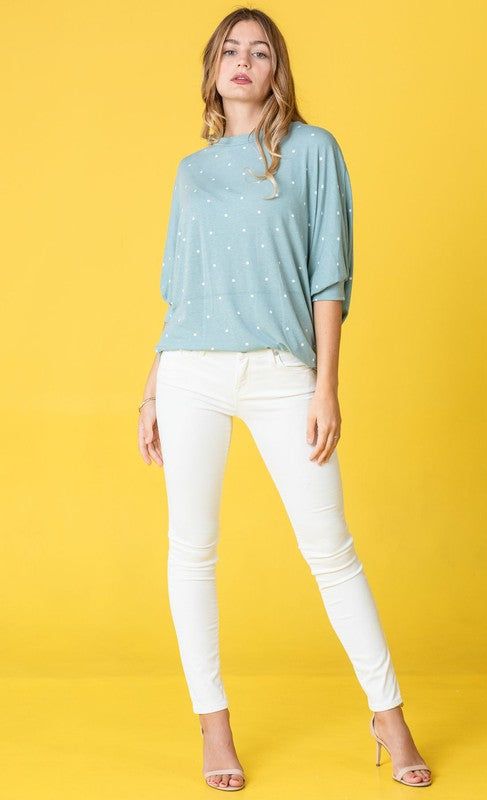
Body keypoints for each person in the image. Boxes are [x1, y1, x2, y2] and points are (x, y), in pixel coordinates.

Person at [138, 7, 432, 792]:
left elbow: (329, 274)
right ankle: (213, 727)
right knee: (191, 551)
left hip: (281, 371)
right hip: (190, 370)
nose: (242, 61)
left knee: (329, 551)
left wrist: (326, 386)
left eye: (258, 51)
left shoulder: (310, 151)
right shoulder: (191, 172)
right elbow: (180, 291)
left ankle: (388, 714)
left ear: (276, 70)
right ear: (211, 69)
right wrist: (151, 390)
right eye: (229, 50)